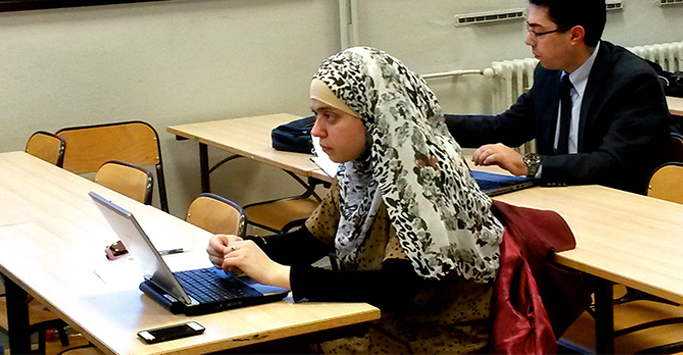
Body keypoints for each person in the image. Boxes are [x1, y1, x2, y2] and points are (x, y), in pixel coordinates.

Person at [207, 47, 504, 354]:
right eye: (316, 114)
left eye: (330, 117)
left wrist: (280, 275)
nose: (316, 131)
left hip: (427, 340)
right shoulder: (361, 169)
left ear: (374, 116)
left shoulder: (422, 178)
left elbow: (398, 287)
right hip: (381, 325)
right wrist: (246, 250)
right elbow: (310, 241)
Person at [445, 0, 670, 194]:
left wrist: (528, 164)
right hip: (559, 197)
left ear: (575, 35)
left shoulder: (633, 81)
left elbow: (611, 164)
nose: (528, 41)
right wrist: (431, 121)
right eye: (529, 29)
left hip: (615, 203)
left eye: (538, 32)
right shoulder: (549, 73)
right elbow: (507, 127)